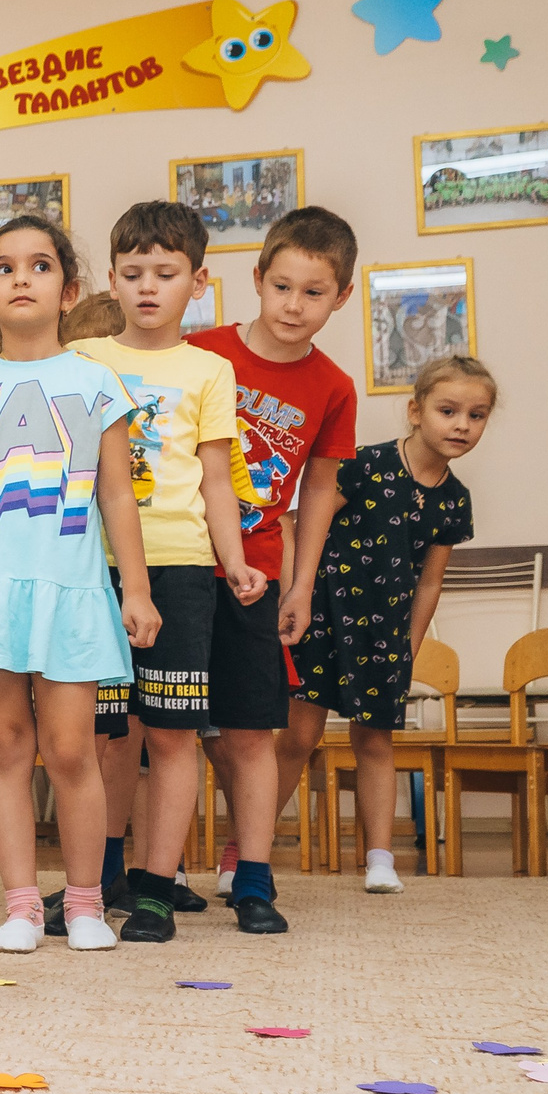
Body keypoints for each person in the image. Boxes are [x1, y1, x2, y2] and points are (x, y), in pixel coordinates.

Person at [0, 213, 157, 953]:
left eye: (40, 265)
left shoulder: (97, 382)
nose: (21, 278)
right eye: (5, 268)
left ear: (70, 290)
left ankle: (84, 904)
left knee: (72, 750)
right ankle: (22, 905)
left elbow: (117, 495)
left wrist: (137, 588)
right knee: (4, 747)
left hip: (68, 592)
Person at [68, 202, 265, 945]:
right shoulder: (84, 359)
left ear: (198, 282)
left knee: (174, 734)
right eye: (133, 273)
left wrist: (234, 561)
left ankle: (156, 886)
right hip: (92, 565)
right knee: (105, 735)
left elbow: (216, 479)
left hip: (180, 565)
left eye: (165, 273)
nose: (148, 287)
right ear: (112, 280)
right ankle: (96, 880)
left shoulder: (210, 370)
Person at [185, 207, 360, 935]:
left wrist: (302, 582)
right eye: (282, 287)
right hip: (179, 563)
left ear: (341, 296)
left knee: (254, 731)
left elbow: (318, 490)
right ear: (256, 279)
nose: (293, 305)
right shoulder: (200, 351)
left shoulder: (334, 387)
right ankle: (154, 872)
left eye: (313, 293)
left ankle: (252, 874)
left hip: (255, 574)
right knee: (164, 729)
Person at [273, 356, 495, 893]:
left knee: (374, 740)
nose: (462, 425)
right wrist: (293, 593)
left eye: (477, 415)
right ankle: (246, 851)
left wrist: (409, 647)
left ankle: (379, 858)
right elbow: (300, 526)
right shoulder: (363, 464)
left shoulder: (455, 500)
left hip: (383, 633)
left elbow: (429, 583)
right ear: (415, 411)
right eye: (448, 411)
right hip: (323, 615)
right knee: (298, 736)